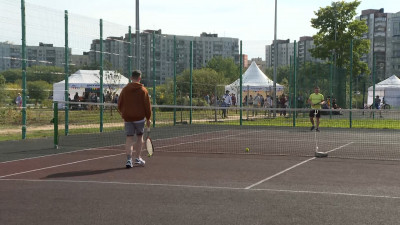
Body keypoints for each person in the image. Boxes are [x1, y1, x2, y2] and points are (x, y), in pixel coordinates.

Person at [118, 70, 152, 168]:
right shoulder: (143, 90)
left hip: (128, 118)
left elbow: (119, 103)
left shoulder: (125, 89)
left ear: (131, 77)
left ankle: (129, 160)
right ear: (139, 78)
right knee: (139, 137)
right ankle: (137, 157)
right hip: (139, 118)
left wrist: (123, 113)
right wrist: (148, 117)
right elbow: (147, 106)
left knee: (129, 138)